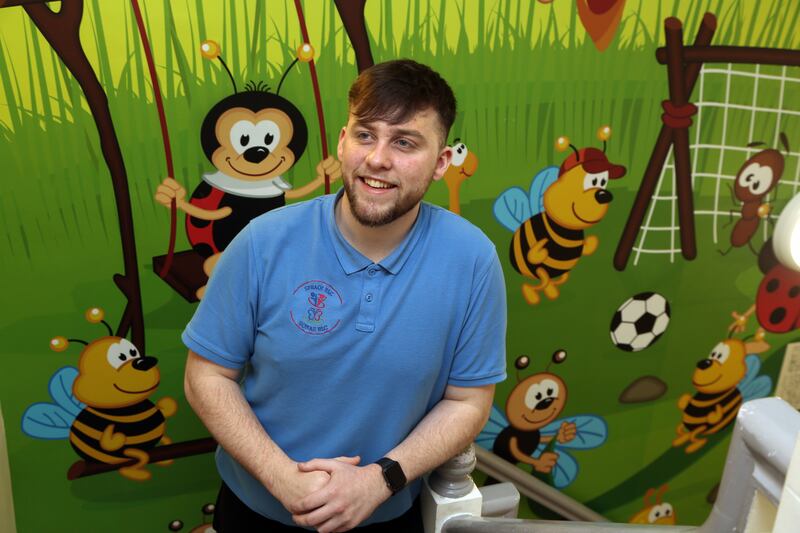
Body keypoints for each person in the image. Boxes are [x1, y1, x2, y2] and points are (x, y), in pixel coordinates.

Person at [182, 59, 507, 532]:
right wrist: (282, 478)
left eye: (405, 142)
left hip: (387, 513)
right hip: (256, 512)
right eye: (365, 134)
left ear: (441, 163)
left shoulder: (473, 260)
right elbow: (206, 375)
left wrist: (380, 480)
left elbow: (468, 401)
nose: (378, 158)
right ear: (341, 142)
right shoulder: (262, 242)